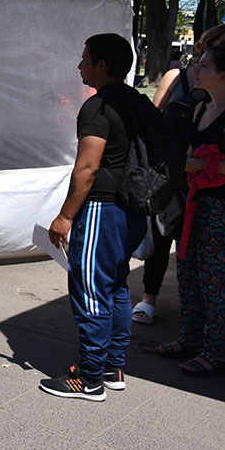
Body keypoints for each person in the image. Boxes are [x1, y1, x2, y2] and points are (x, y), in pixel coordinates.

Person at [39, 33, 150, 399]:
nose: (79, 65)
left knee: (89, 291)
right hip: (132, 209)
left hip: (103, 209)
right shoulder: (137, 101)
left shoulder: (98, 106)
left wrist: (65, 216)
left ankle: (89, 378)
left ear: (102, 65)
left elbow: (87, 168)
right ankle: (111, 367)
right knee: (115, 285)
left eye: (85, 58)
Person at [140, 24, 225, 324]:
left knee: (198, 253)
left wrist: (201, 165)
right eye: (219, 43)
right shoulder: (178, 78)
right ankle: (148, 299)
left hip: (205, 185)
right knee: (163, 234)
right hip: (175, 172)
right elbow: (153, 118)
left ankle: (203, 330)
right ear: (205, 44)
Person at [154, 43, 225, 377]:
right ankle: (192, 338)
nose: (196, 69)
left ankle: (216, 352)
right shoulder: (200, 107)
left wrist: (201, 165)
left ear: (223, 74)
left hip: (219, 208)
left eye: (205, 65)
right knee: (189, 272)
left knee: (216, 279)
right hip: (195, 201)